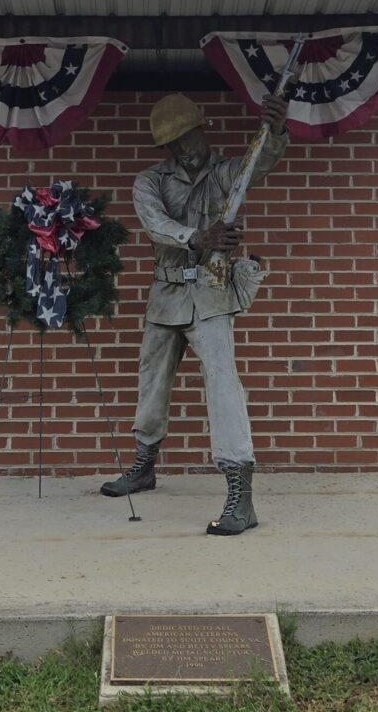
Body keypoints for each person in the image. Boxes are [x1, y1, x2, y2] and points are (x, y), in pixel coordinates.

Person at [100, 92, 288, 535]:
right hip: (166, 294)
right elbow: (154, 224)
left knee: (225, 387)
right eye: (174, 143)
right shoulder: (148, 181)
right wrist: (199, 237)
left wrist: (276, 131)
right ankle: (144, 466)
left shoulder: (225, 172)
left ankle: (241, 496)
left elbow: (257, 167)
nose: (184, 148)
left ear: (202, 130)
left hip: (210, 293)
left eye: (189, 137)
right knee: (151, 384)